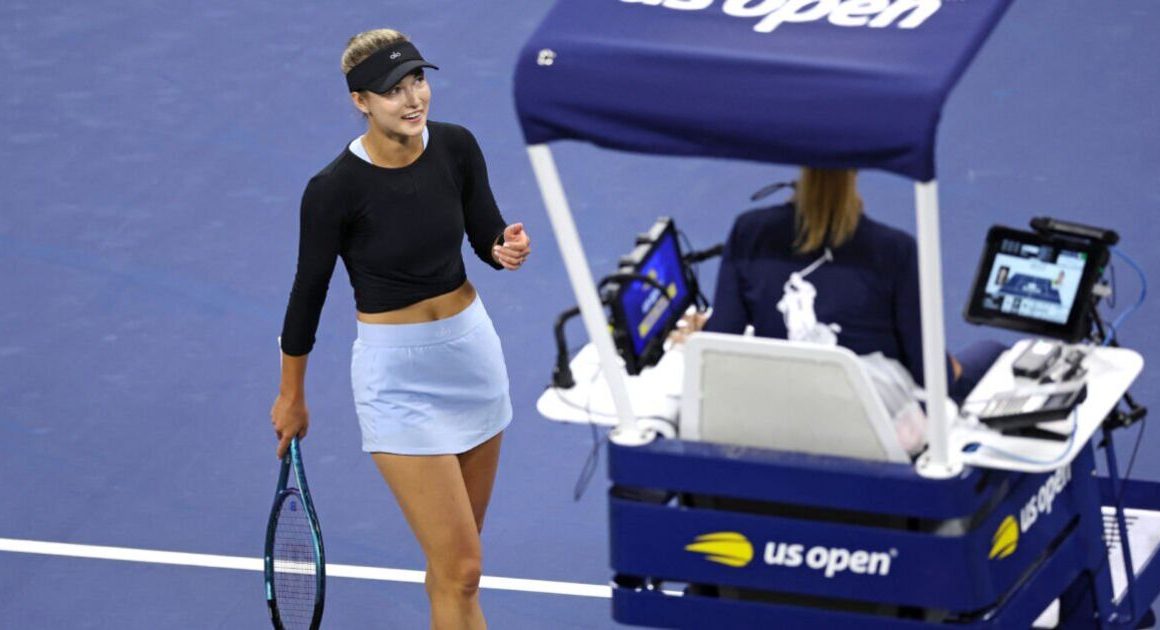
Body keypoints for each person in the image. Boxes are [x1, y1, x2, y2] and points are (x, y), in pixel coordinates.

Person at [270, 28, 530, 629]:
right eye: (392, 90)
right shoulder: (333, 190)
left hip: (472, 359)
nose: (413, 98)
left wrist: (503, 248)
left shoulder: (457, 147)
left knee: (457, 570)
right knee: (461, 565)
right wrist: (292, 394)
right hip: (399, 380)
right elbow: (307, 294)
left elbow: (484, 229)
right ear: (360, 102)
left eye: (417, 79)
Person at [684, 166, 1002, 404]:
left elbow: (719, 345)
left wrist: (700, 331)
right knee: (992, 353)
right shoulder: (895, 250)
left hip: (779, 413)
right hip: (874, 430)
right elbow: (933, 377)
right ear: (856, 172)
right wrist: (952, 371)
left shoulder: (748, 231)